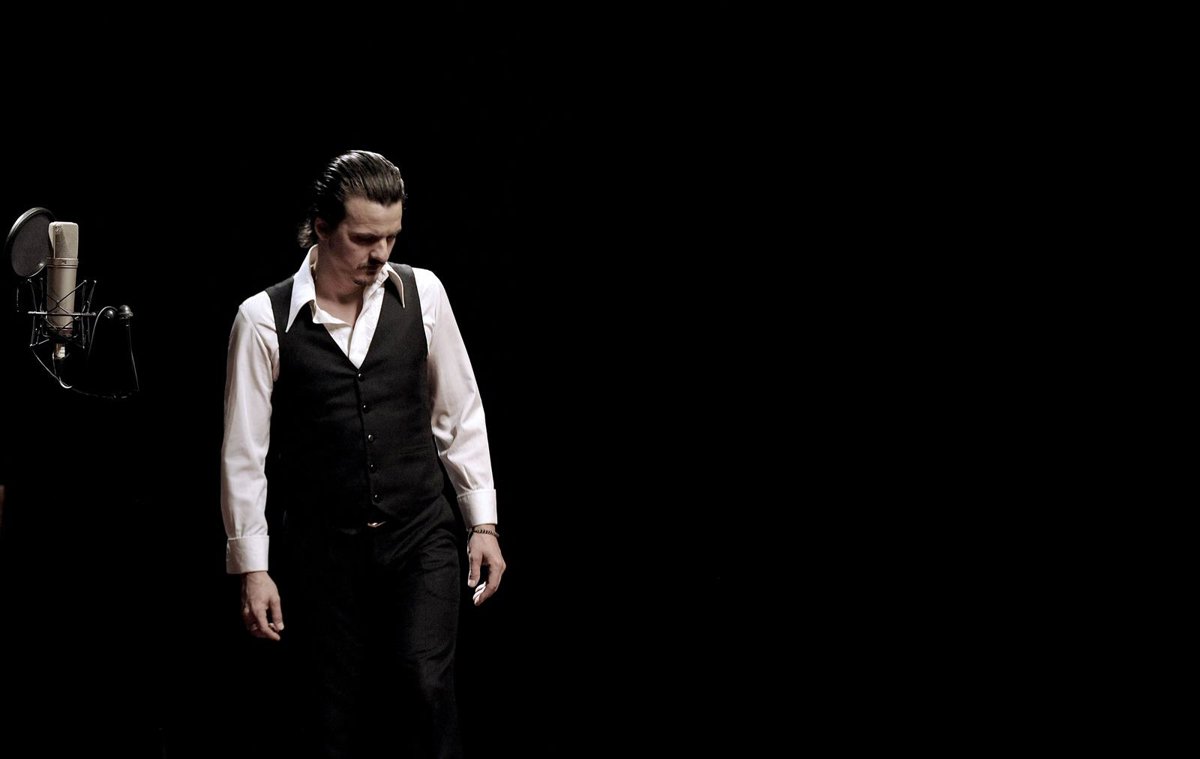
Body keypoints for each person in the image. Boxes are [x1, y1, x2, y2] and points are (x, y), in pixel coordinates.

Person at [221, 149, 505, 758]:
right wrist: (253, 567)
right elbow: (244, 454)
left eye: (391, 237)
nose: (380, 254)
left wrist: (482, 524)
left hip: (420, 535)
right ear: (321, 228)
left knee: (425, 686)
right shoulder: (263, 319)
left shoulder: (423, 293)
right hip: (322, 551)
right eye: (364, 239)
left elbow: (459, 414)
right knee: (331, 722)